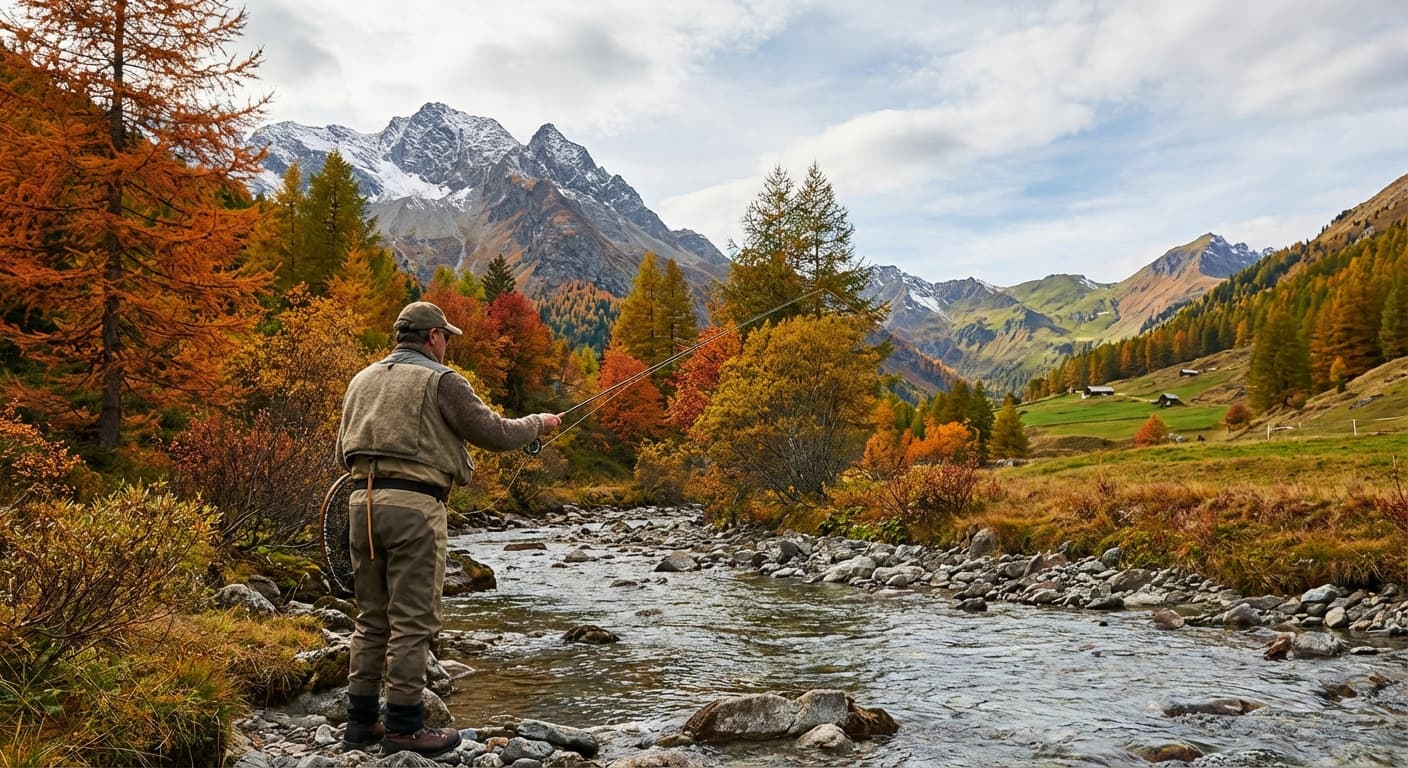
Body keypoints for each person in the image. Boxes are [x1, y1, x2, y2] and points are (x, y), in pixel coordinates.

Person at [334, 300, 561, 756]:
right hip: (415, 509)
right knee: (412, 622)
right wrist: (538, 424)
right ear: (433, 337)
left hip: (360, 505)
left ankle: (359, 725)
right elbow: (493, 432)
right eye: (447, 338)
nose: (448, 346)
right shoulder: (442, 380)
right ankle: (404, 727)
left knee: (372, 617)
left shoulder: (361, 380)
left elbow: (343, 450)